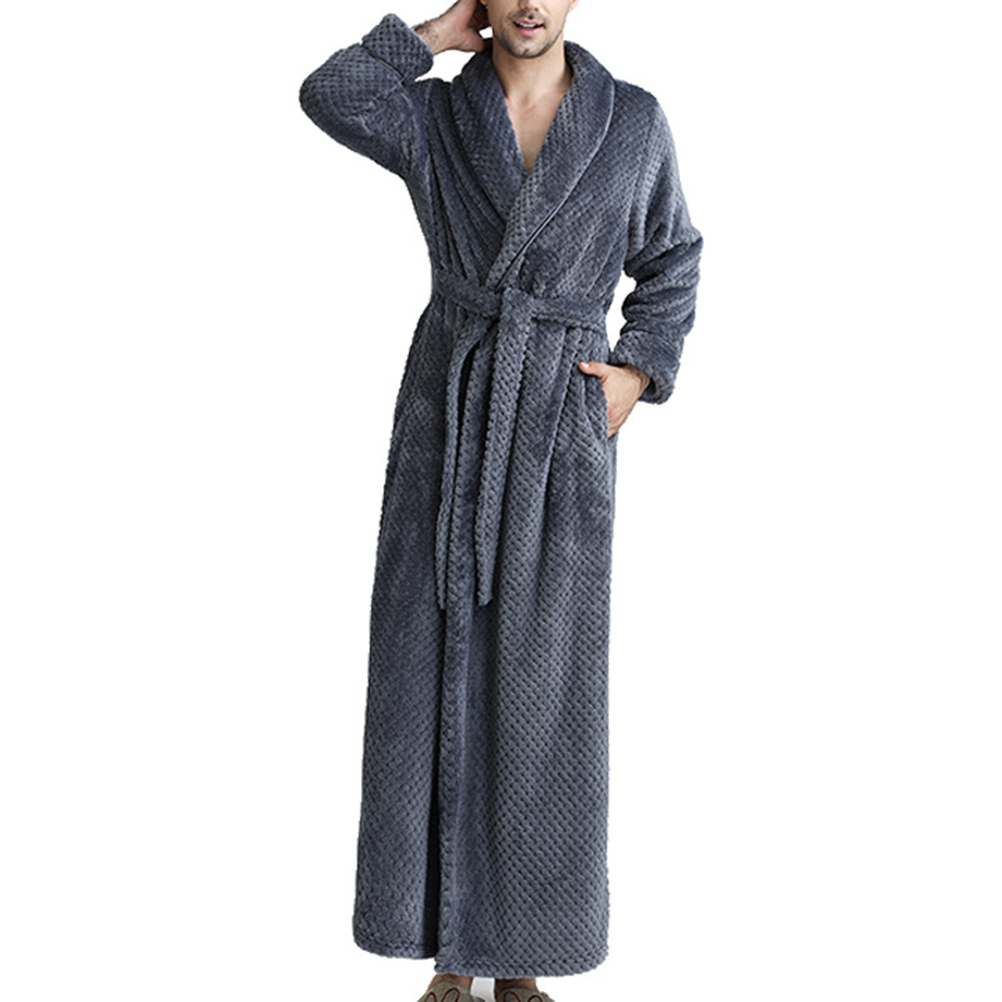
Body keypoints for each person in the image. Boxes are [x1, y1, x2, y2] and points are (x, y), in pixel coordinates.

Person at [298, 2, 702, 999]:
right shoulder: (439, 117)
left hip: (558, 423)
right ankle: (450, 956)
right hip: (450, 407)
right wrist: (433, 37)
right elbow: (330, 94)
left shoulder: (632, 122)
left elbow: (672, 258)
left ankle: (522, 958)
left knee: (544, 686)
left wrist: (638, 371)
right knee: (425, 671)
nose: (529, 2)